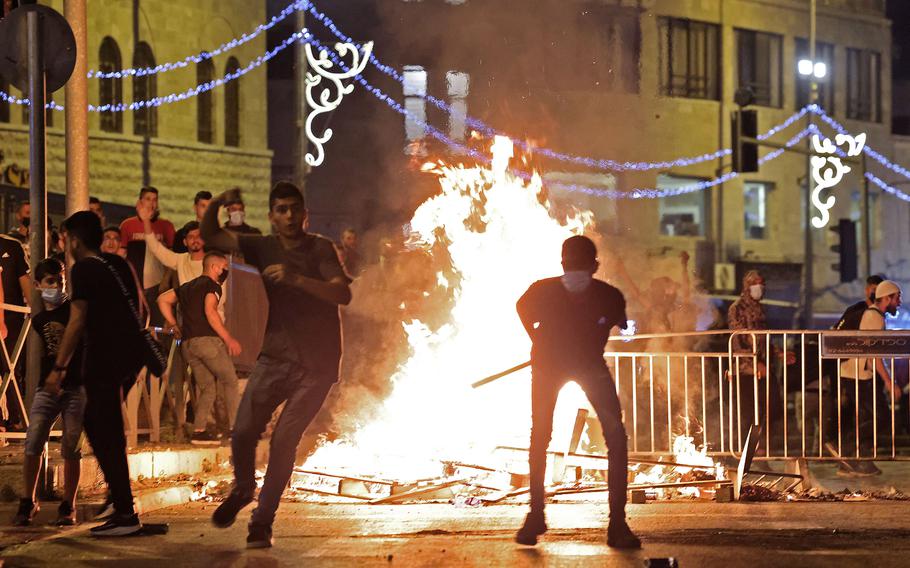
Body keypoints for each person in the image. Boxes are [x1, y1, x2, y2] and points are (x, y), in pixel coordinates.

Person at [203, 183, 351, 549]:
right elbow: (211, 235)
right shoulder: (263, 245)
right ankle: (242, 489)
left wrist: (297, 279)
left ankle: (262, 522)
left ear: (305, 214)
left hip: (317, 365)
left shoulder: (320, 248)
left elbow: (342, 292)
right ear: (271, 216)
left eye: (294, 209)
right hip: (276, 356)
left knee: (284, 441)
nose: (288, 216)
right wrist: (219, 202)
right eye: (280, 210)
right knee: (242, 432)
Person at [514, 235, 640, 549]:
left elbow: (522, 309)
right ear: (595, 265)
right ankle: (617, 524)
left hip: (548, 366)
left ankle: (535, 516)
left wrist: (537, 339)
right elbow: (622, 325)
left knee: (540, 437)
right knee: (615, 436)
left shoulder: (540, 290)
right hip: (587, 366)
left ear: (562, 262)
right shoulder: (608, 295)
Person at [47, 211, 145, 536]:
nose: (64, 245)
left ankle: (126, 513)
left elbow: (76, 321)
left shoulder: (83, 269)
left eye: (64, 239)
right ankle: (119, 501)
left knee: (106, 430)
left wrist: (59, 368)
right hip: (129, 358)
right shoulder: (118, 265)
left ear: (74, 240)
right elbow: (140, 309)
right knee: (97, 423)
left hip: (104, 359)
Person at [12, 258, 85, 527]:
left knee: (71, 447)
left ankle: (69, 505)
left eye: (60, 281)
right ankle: (27, 501)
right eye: (50, 282)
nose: (57, 286)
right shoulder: (40, 317)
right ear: (39, 285)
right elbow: (33, 301)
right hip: (47, 387)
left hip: (76, 386)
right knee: (33, 441)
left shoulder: (75, 310)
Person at [158, 252, 240, 444]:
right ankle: (237, 430)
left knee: (207, 388)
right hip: (208, 342)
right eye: (224, 267)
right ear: (214, 267)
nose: (225, 271)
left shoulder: (186, 287)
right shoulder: (213, 286)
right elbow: (210, 312)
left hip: (188, 344)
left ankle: (199, 431)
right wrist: (228, 339)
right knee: (230, 381)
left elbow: (162, 299)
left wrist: (173, 324)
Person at [838, 280, 903, 477]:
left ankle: (855, 461)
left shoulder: (875, 315)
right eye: (897, 297)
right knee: (880, 416)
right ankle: (847, 449)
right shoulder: (875, 318)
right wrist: (889, 381)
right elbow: (874, 355)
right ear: (887, 298)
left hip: (856, 374)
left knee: (871, 417)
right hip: (858, 375)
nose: (899, 302)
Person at [728, 270, 792, 454]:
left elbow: (763, 340)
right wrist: (755, 363)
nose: (760, 287)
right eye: (756, 283)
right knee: (748, 412)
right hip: (745, 370)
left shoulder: (759, 308)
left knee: (773, 407)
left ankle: (760, 446)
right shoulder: (737, 308)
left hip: (764, 367)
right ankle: (748, 451)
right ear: (747, 285)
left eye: (762, 283)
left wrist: (779, 353)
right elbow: (737, 341)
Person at [119, 186, 176, 326]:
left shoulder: (166, 225)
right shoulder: (127, 225)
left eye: (155, 200)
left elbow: (172, 257)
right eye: (148, 199)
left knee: (156, 323)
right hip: (135, 284)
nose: (152, 203)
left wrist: (166, 280)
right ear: (140, 201)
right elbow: (122, 254)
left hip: (158, 284)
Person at [0, 232, 32, 428]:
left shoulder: (11, 246)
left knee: (10, 369)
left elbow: (25, 283)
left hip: (12, 321)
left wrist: (33, 314)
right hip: (5, 317)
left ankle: (12, 421)